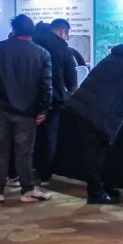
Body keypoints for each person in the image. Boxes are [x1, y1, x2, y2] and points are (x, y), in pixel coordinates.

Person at [65, 44, 123, 204]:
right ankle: (96, 194)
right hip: (96, 114)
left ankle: (103, 189)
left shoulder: (115, 58)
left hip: (83, 108)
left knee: (93, 154)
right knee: (95, 156)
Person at [0, 15, 53, 204]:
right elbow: (46, 85)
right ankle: (27, 190)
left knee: (0, 151)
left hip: (1, 108)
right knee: (24, 153)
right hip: (27, 112)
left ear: (13, 29)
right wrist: (44, 109)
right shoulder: (42, 53)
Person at [33, 19, 78, 183]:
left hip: (30, 99)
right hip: (54, 99)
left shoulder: (33, 43)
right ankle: (44, 175)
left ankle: (23, 172)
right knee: (49, 137)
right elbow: (72, 80)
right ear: (62, 32)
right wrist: (67, 94)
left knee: (28, 136)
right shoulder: (63, 49)